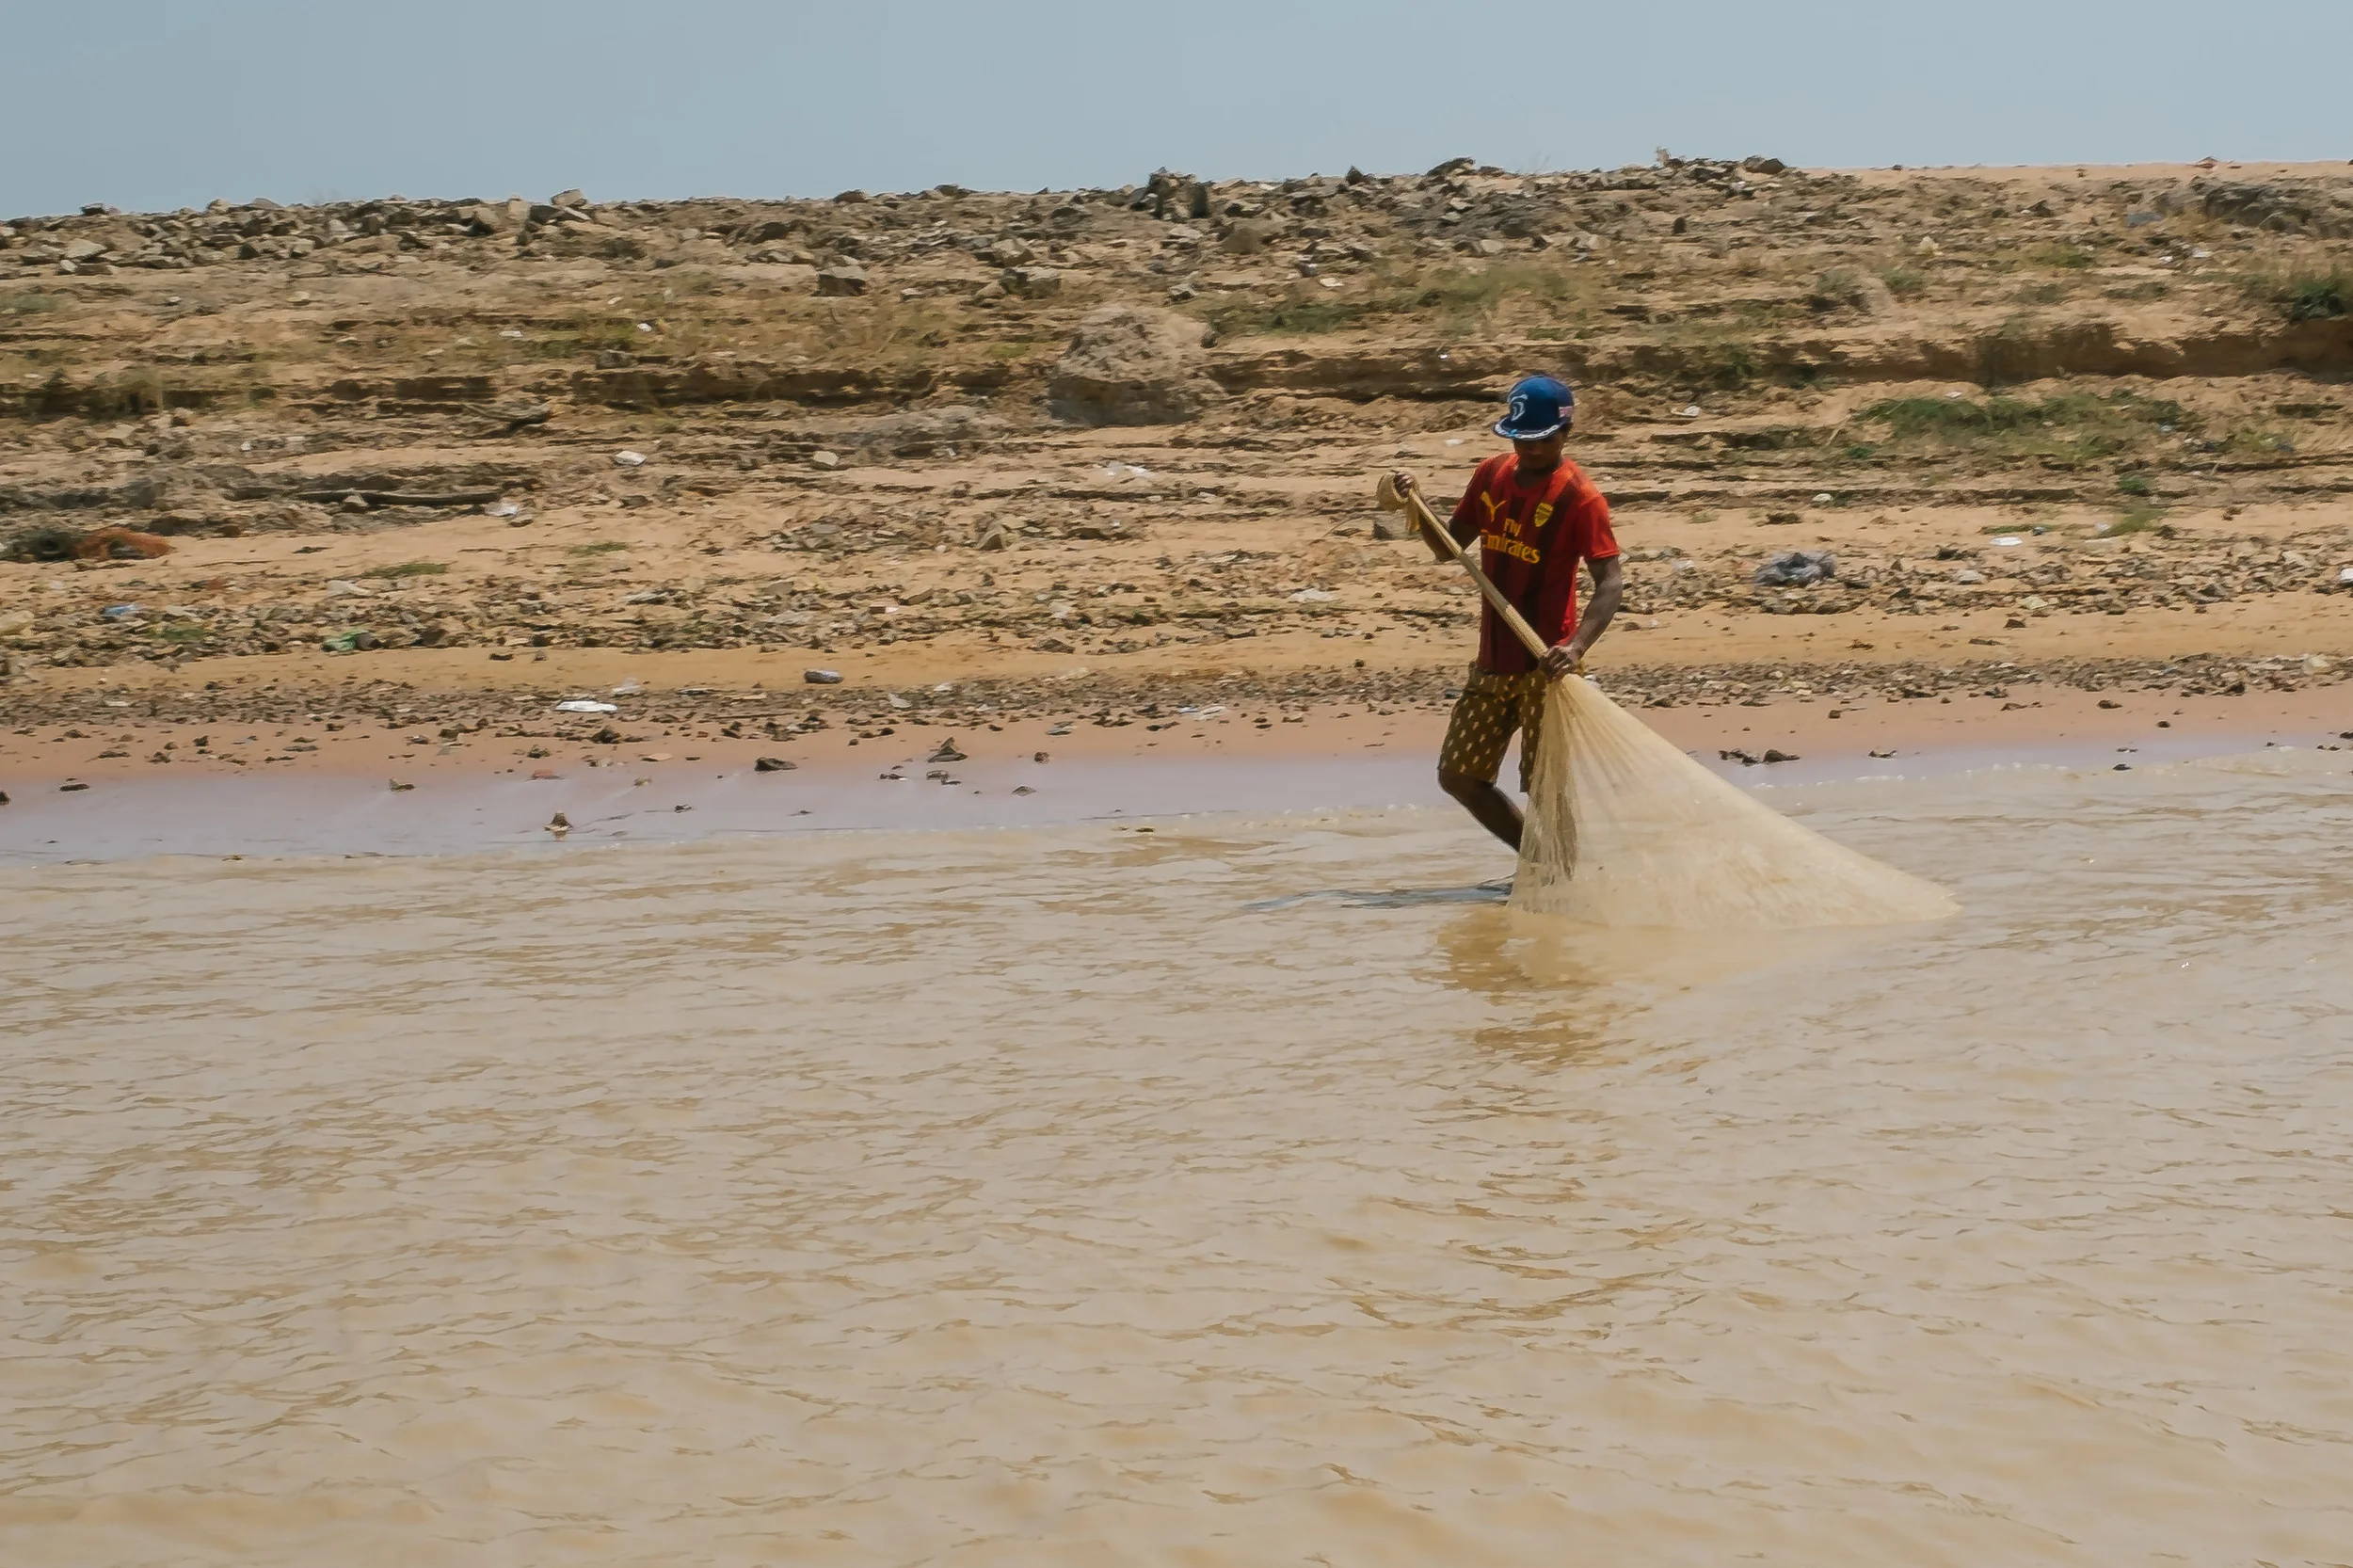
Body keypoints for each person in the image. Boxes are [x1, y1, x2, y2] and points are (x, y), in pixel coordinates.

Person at [1391, 374, 1624, 851]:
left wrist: (1575, 647)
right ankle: (1538, 861)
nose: (1528, 449)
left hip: (1547, 666)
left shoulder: (1581, 498)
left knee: (1546, 790)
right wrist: (1418, 505)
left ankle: (1563, 881)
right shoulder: (1491, 475)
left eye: (1539, 440)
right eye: (1519, 438)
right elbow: (1448, 547)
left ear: (1565, 434)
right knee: (1458, 776)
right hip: (1493, 664)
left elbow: (1610, 582)